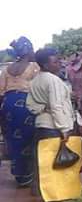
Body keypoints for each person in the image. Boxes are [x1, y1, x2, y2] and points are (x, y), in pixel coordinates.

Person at [27, 48, 81, 202]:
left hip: (41, 125)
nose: (59, 64)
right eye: (55, 61)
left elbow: (30, 105)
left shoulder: (36, 79)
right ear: (45, 64)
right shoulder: (53, 80)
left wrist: (43, 108)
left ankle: (42, 192)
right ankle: (55, 196)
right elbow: (56, 106)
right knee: (57, 162)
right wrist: (64, 129)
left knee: (44, 162)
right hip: (54, 126)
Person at [0, 37, 39, 186]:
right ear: (28, 50)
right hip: (25, 105)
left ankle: (19, 175)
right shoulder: (34, 67)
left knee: (13, 139)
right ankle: (29, 174)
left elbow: (1, 92)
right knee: (28, 138)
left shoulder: (6, 69)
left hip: (8, 105)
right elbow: (38, 87)